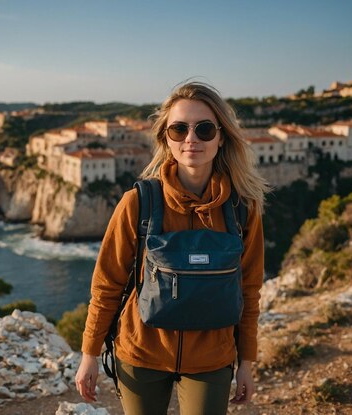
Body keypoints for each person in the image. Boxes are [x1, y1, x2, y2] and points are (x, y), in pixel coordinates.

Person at [75, 81, 269, 415]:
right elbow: (107, 283)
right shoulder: (138, 202)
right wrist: (89, 354)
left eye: (204, 129)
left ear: (221, 137)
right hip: (141, 353)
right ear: (166, 137)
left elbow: (249, 290)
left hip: (212, 359)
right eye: (179, 129)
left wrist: (247, 362)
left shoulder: (242, 208)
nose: (191, 139)